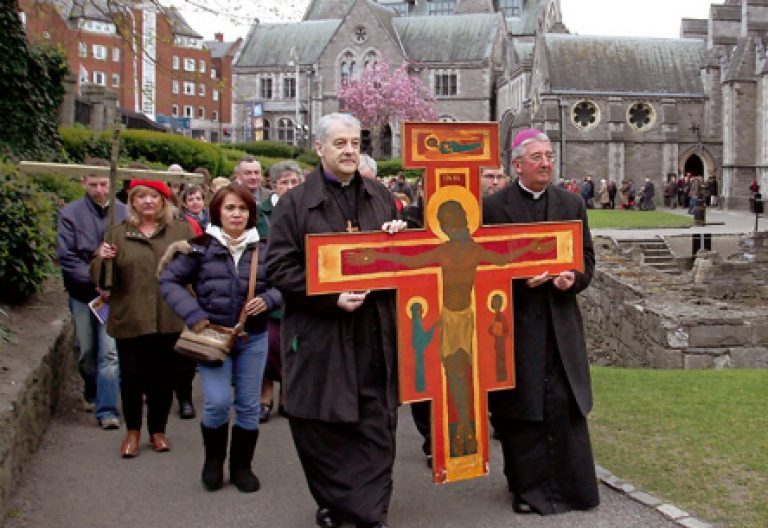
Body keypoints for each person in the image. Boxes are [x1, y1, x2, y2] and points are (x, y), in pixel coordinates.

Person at [265, 113, 404, 528]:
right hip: (321, 333)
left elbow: (398, 259)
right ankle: (335, 502)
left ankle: (369, 511)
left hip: (373, 332)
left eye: (355, 144)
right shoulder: (294, 204)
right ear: (320, 148)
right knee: (323, 426)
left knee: (376, 425)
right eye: (339, 143)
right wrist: (329, 297)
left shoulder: (380, 195)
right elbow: (279, 267)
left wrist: (399, 231)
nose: (348, 151)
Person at [482, 128, 599, 515]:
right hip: (516, 325)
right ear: (517, 165)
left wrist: (572, 279)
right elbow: (482, 269)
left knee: (563, 404)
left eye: (549, 156)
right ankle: (528, 489)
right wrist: (516, 280)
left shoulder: (570, 203)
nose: (546, 163)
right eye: (537, 157)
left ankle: (574, 489)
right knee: (524, 407)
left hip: (560, 323)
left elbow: (586, 260)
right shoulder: (493, 208)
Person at [159, 183, 281, 492]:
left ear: (251, 213)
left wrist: (269, 300)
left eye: (242, 208)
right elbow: (169, 280)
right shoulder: (200, 247)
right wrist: (193, 313)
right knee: (217, 401)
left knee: (249, 406)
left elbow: (288, 285)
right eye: (230, 208)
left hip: (252, 338)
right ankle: (213, 462)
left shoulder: (265, 249)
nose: (236, 214)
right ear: (218, 211)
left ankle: (242, 467)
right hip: (212, 338)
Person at [91, 180, 194, 458]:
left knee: (162, 378)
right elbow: (103, 282)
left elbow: (195, 272)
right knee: (132, 378)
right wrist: (102, 258)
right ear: (132, 202)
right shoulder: (118, 233)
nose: (148, 201)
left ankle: (158, 430)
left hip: (167, 316)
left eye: (154, 196)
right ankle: (133, 431)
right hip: (131, 317)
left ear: (163, 201)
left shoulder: (180, 231)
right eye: (141, 197)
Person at [56, 159, 125, 429]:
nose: (99, 190)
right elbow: (67, 256)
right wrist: (93, 276)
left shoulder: (122, 212)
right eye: (93, 184)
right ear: (83, 182)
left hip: (113, 295)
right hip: (83, 293)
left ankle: (107, 409)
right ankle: (92, 389)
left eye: (104, 184)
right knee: (86, 350)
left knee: (110, 352)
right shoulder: (70, 214)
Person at [255, 160, 302, 423]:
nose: (289, 187)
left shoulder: (306, 210)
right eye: (284, 182)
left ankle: (287, 397)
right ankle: (265, 397)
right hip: (266, 286)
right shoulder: (260, 213)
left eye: (294, 181)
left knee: (291, 346)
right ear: (272, 185)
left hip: (296, 287)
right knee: (268, 345)